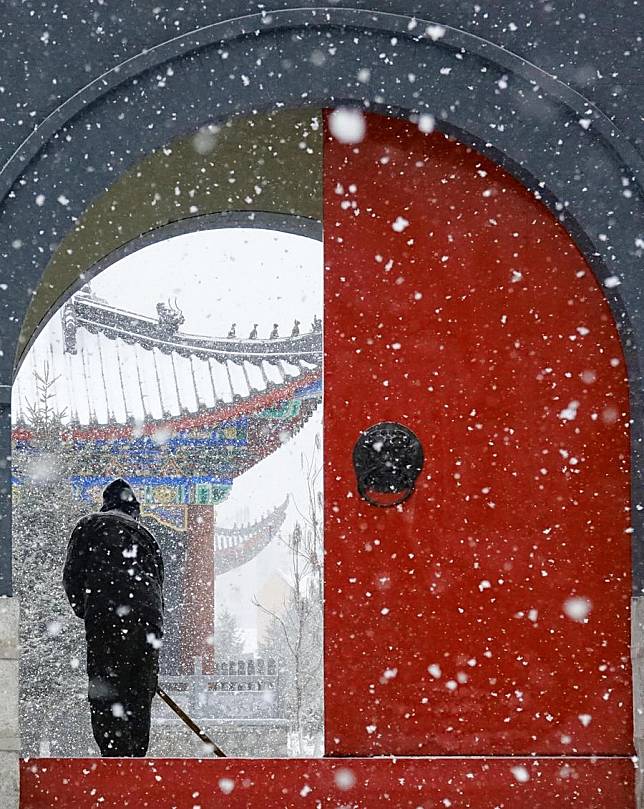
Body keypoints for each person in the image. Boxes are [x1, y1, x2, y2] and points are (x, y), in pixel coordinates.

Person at [63, 478, 164, 757]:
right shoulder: (146, 535)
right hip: (148, 620)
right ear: (135, 510)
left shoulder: (89, 525)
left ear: (107, 504)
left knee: (106, 686)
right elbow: (158, 582)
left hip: (107, 615)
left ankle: (114, 758)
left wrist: (86, 610)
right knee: (140, 690)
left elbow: (72, 576)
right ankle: (136, 757)